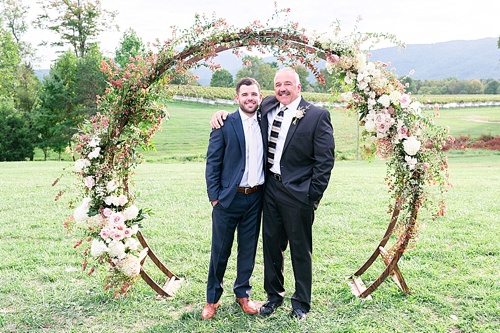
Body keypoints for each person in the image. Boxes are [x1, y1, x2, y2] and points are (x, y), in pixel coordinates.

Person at [210, 67, 335, 320]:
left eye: (288, 83)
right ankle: (273, 296)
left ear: (299, 87)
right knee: (271, 246)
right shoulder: (268, 106)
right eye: (278, 84)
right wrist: (220, 114)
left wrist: (313, 195)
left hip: (299, 194)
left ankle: (301, 303)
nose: (283, 88)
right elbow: (243, 109)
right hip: (269, 190)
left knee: (300, 248)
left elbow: (325, 161)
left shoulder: (317, 115)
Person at [202, 77, 265, 320]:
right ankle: (212, 299)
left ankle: (243, 295)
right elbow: (213, 162)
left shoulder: (266, 121)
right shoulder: (225, 123)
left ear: (260, 97)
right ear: (236, 98)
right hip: (228, 199)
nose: (250, 98)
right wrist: (214, 197)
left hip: (256, 197)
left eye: (254, 94)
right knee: (220, 251)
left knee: (248, 250)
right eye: (245, 94)